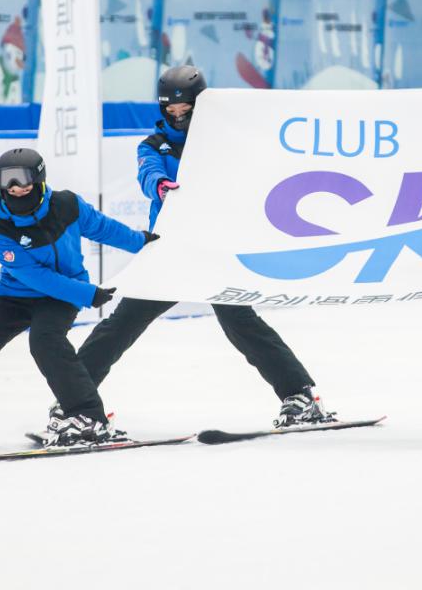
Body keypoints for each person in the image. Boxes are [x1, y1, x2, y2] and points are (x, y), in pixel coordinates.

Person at [60, 65, 333, 435]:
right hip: (170, 249)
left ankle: (299, 396)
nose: (177, 116)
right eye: (170, 110)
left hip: (214, 248)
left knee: (241, 323)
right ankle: (73, 403)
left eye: (185, 110)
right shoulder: (154, 145)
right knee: (122, 323)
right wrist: (160, 185)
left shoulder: (224, 142)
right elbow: (148, 172)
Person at [0, 148, 157, 450]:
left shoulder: (67, 205)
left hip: (60, 297)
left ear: (38, 177)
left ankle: (88, 417)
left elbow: (102, 228)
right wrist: (87, 293)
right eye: (7, 180)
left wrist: (141, 242)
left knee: (46, 342)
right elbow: (34, 276)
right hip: (14, 294)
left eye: (22, 179)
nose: (15, 187)